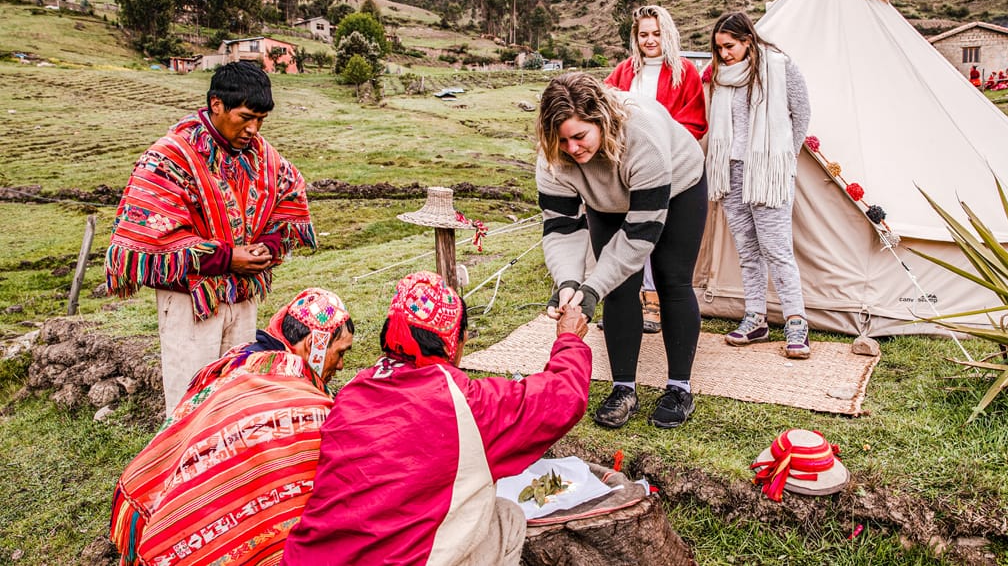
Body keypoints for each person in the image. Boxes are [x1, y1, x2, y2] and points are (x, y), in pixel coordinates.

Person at [282, 272, 592, 565]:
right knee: (506, 517)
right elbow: (562, 396)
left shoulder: (353, 391)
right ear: (455, 342)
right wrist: (569, 339)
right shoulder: (468, 404)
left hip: (309, 557)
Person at [105, 60, 317, 417]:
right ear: (216, 104)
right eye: (246, 117)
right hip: (191, 302)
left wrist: (270, 244)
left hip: (243, 295)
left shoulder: (262, 155)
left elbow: (288, 195)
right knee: (191, 400)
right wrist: (225, 257)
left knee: (237, 393)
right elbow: (152, 231)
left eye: (260, 120)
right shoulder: (171, 157)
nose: (253, 129)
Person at [109, 288, 355, 566]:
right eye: (340, 352)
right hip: (205, 516)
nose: (342, 365)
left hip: (178, 507)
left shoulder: (239, 361)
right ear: (315, 345)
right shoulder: (300, 407)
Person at [536, 72, 707, 429]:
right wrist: (569, 283)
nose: (572, 149)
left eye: (580, 136)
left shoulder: (641, 136)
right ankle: (623, 388)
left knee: (671, 279)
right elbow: (562, 226)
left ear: (600, 120)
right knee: (617, 287)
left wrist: (591, 288)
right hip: (607, 198)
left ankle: (679, 388)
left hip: (677, 187)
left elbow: (638, 237)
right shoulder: (555, 153)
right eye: (562, 140)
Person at [704, 12, 813, 358]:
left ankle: (796, 321)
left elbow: (802, 112)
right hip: (731, 169)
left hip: (767, 171)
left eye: (730, 46)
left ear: (748, 40)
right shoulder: (721, 77)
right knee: (748, 251)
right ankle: (756, 317)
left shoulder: (779, 67)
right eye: (719, 48)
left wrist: (785, 158)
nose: (724, 54)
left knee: (777, 248)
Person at [605, 4, 708, 334]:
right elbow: (603, 106)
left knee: (656, 232)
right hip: (628, 166)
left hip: (668, 166)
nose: (650, 40)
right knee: (628, 230)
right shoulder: (624, 72)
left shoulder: (684, 71)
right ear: (635, 37)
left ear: (668, 34)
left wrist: (664, 145)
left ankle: (654, 300)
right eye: (643, 34)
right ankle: (625, 303)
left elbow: (695, 121)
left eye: (656, 33)